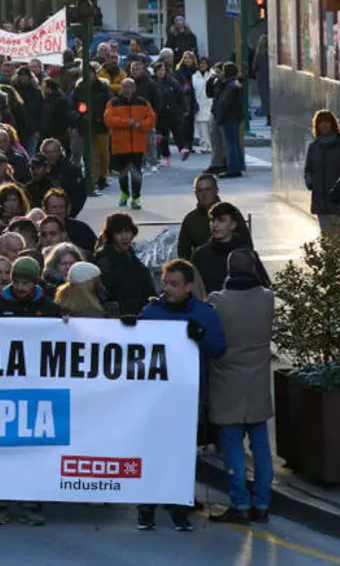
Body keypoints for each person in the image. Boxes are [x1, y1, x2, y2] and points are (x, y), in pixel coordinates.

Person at [136, 259, 227, 532]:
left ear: (189, 286)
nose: (168, 289)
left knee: (181, 455)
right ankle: (146, 509)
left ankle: (179, 510)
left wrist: (201, 336)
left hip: (187, 397)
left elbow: (219, 348)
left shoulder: (204, 313)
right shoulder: (152, 312)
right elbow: (134, 346)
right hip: (155, 397)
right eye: (165, 282)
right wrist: (129, 327)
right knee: (152, 453)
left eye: (174, 284)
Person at [206, 249, 274, 524]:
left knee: (232, 446)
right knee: (261, 445)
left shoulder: (217, 301)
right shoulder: (267, 298)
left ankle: (240, 503)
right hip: (257, 380)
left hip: (227, 381)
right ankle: (262, 503)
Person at [190, 202, 269, 296]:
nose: (215, 225)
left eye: (221, 220)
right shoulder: (201, 255)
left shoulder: (247, 254)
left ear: (233, 225)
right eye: (212, 220)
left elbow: (263, 287)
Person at [103, 77, 156, 209]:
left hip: (137, 145)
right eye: (124, 87)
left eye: (129, 87)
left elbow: (152, 118)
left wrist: (141, 125)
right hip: (120, 145)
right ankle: (124, 193)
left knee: (137, 172)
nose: (126, 90)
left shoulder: (143, 103)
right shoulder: (113, 103)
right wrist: (128, 123)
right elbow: (108, 120)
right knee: (122, 173)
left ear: (134, 88)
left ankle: (136, 197)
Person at [93, 213, 155, 317]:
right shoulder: (104, 263)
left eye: (127, 231)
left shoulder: (131, 256)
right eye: (119, 232)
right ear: (111, 235)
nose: (124, 237)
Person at [304, 109, 340, 234]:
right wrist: (311, 183)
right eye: (321, 122)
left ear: (332, 124)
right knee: (326, 237)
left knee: (339, 237)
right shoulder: (314, 147)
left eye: (327, 122)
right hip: (320, 200)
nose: (324, 125)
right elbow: (308, 169)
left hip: (338, 202)